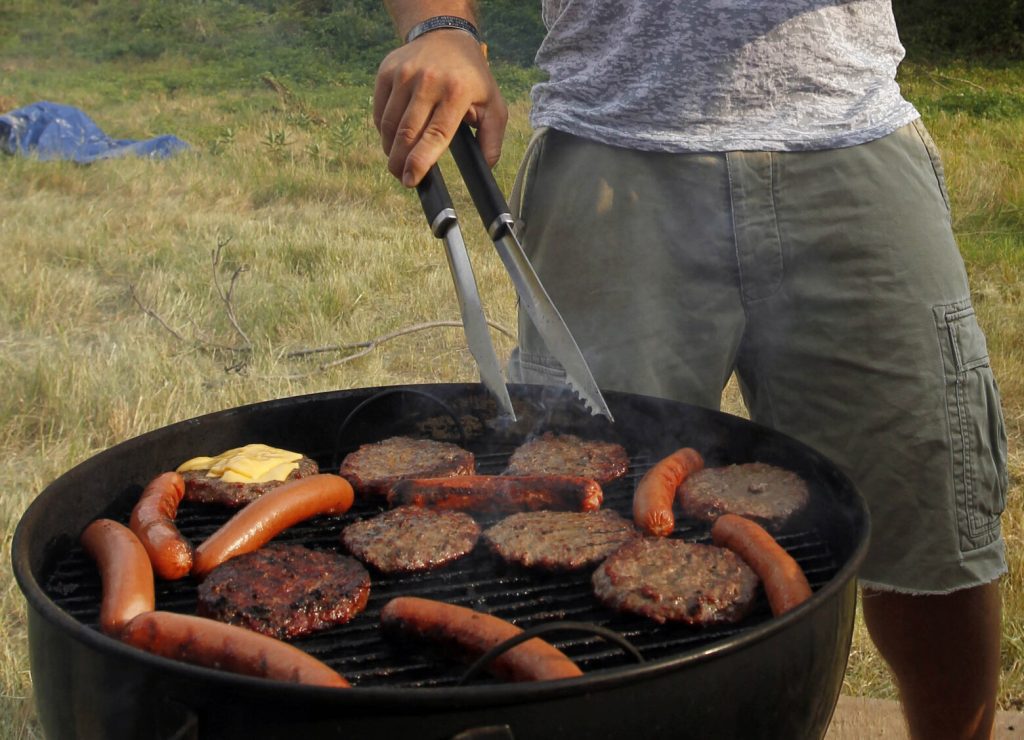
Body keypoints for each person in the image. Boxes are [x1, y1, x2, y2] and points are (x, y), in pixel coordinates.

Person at [374, 2, 1009, 738]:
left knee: (932, 512)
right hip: (609, 154)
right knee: (570, 520)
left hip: (850, 134)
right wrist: (440, 26)